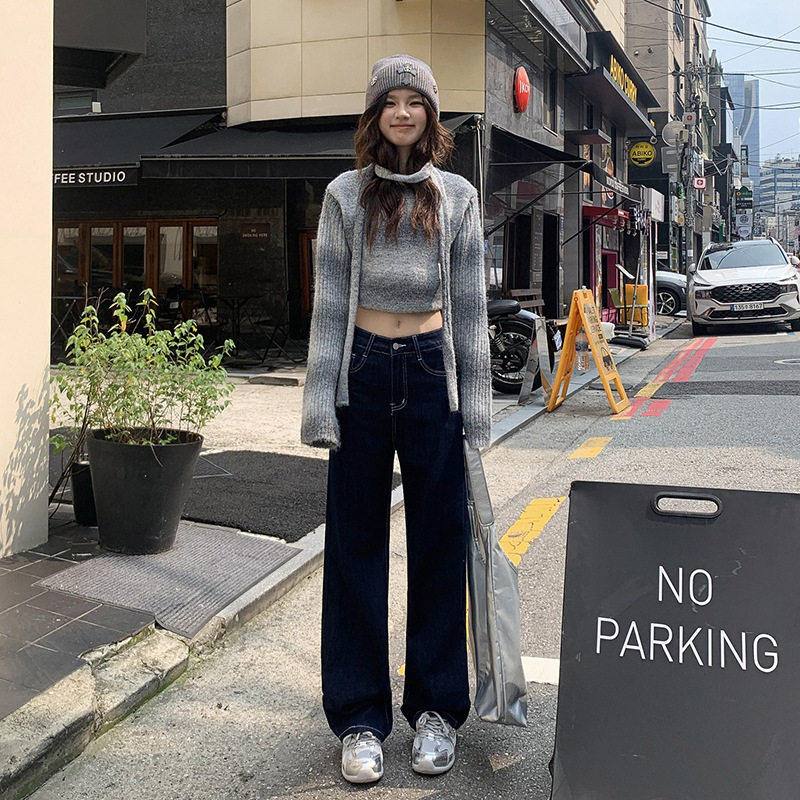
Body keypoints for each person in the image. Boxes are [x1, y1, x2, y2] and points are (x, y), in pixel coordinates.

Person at [301, 54, 490, 784]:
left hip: (434, 370)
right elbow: (328, 304)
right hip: (363, 370)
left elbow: (469, 305)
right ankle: (358, 718)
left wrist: (477, 406)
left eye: (415, 101)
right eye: (391, 101)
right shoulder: (344, 195)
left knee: (440, 542)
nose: (403, 113)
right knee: (355, 544)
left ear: (431, 116)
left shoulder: (458, 197)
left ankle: (436, 710)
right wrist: (319, 401)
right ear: (374, 115)